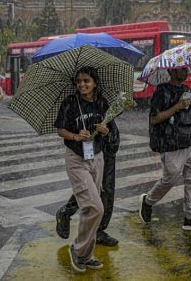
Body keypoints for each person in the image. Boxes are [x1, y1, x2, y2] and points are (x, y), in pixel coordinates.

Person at [139, 67, 191, 233]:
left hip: (189, 141)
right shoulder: (161, 92)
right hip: (171, 143)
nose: (185, 72)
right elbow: (155, 118)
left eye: (186, 69)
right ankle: (148, 201)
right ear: (171, 72)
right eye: (180, 69)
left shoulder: (187, 89)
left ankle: (190, 217)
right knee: (170, 179)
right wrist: (177, 106)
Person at [55, 67, 109, 273]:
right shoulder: (69, 103)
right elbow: (60, 130)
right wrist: (76, 136)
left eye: (86, 81)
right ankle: (78, 249)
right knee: (96, 207)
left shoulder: (101, 102)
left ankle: (86, 254)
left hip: (97, 157)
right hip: (77, 159)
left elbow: (107, 126)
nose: (82, 85)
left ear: (94, 82)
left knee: (89, 209)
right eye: (79, 81)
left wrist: (104, 129)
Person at [56, 114, 121, 247]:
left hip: (108, 146)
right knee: (91, 189)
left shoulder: (102, 100)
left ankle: (98, 230)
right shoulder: (81, 104)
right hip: (93, 149)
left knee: (106, 190)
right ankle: (67, 212)